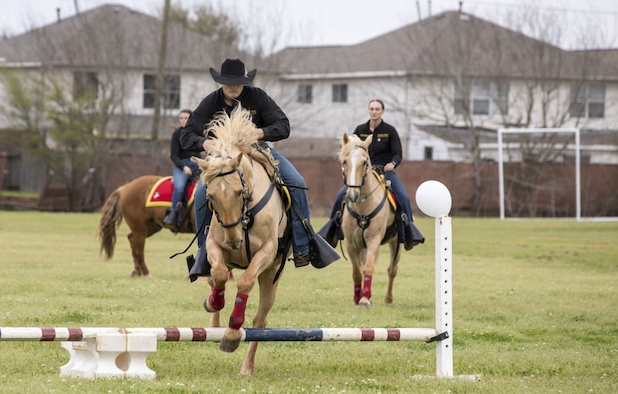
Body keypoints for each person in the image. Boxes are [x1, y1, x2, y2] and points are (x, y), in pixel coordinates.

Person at [181, 58, 331, 275]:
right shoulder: (210, 103)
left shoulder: (258, 96)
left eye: (238, 82)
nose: (233, 86)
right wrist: (205, 143)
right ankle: (204, 253)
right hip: (222, 157)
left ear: (245, 81)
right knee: (202, 192)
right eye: (229, 82)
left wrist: (260, 133)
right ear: (221, 82)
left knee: (297, 182)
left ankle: (303, 245)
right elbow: (186, 135)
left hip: (258, 150)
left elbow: (283, 126)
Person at [319, 98, 425, 250]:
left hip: (385, 173)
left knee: (403, 196)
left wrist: (392, 164)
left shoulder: (390, 131)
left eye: (377, 109)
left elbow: (398, 154)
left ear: (382, 111)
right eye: (372, 109)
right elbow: (350, 149)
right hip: (363, 173)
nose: (374, 111)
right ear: (369, 110)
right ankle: (332, 232)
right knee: (340, 195)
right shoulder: (360, 130)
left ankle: (409, 232)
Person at [164, 108, 200, 230]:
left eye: (186, 118)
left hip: (197, 164)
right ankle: (172, 215)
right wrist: (184, 167)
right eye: (181, 118)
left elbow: (200, 152)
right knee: (179, 188)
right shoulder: (177, 134)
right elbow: (173, 155)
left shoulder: (197, 133)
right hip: (182, 165)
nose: (183, 121)